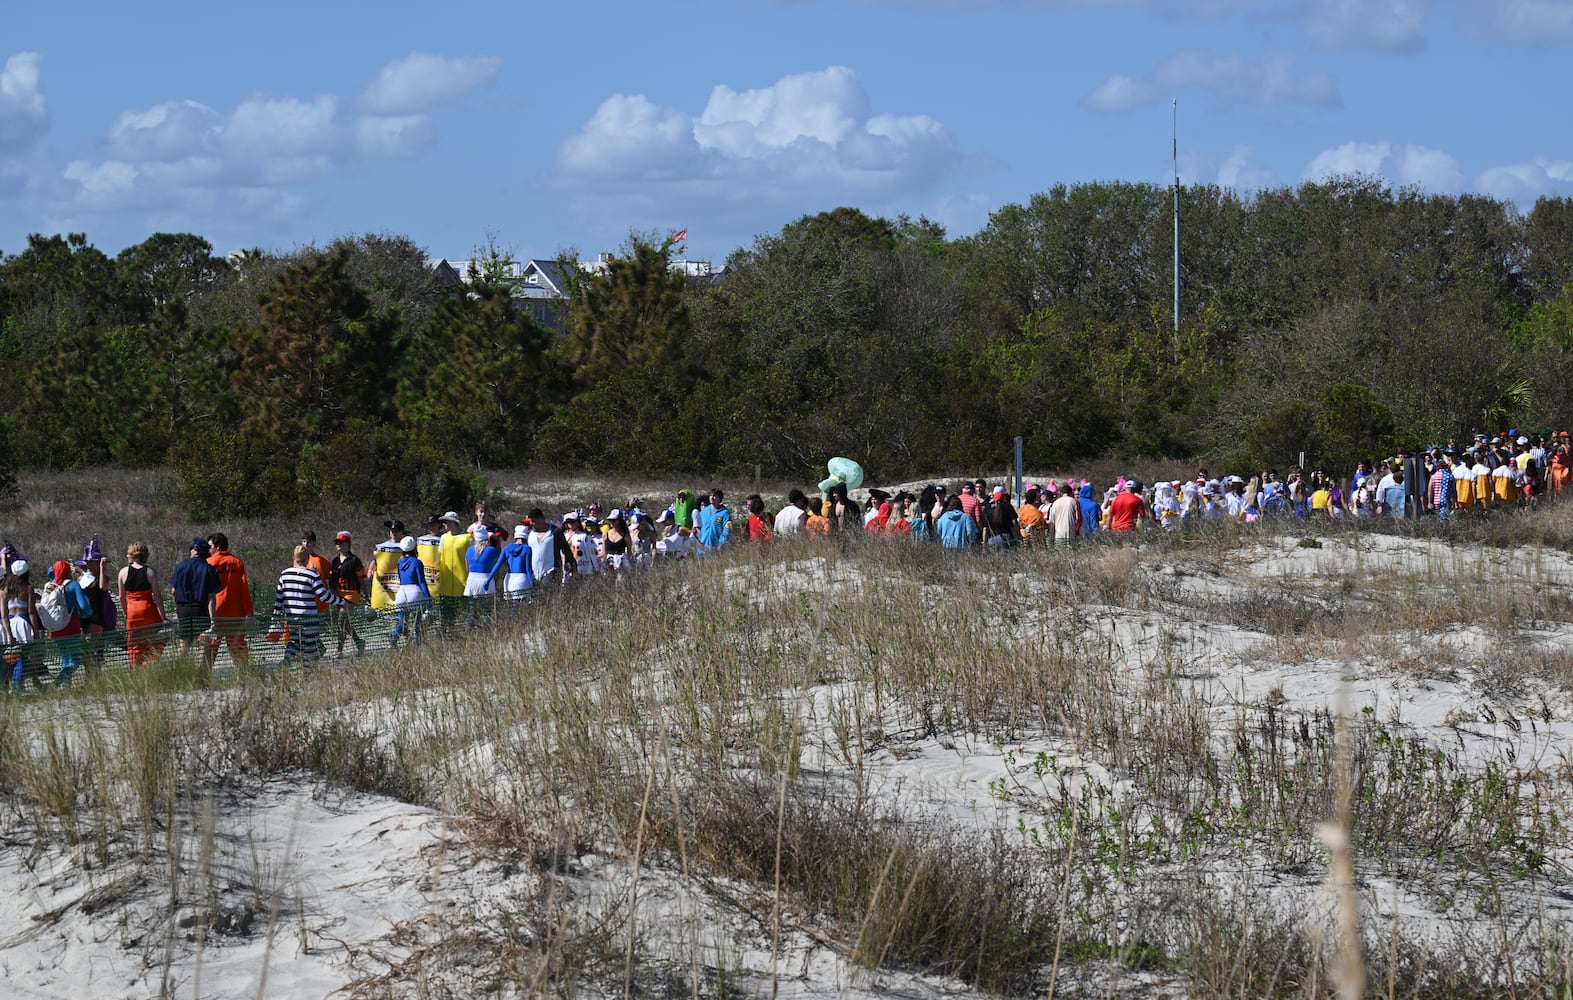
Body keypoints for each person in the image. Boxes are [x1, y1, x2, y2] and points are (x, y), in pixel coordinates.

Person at [271, 544, 346, 666]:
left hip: (291, 618)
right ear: (307, 558)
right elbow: (324, 596)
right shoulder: (312, 575)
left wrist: (275, 618)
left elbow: (279, 599)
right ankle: (306, 673)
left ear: (295, 558)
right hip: (309, 618)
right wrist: (342, 601)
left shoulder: (284, 574)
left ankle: (285, 664)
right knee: (310, 646)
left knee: (294, 642)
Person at [206, 532, 254, 668]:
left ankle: (204, 678)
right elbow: (244, 588)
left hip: (214, 612)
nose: (208, 549)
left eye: (210, 546)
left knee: (210, 647)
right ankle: (244, 677)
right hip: (235, 612)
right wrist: (249, 611)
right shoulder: (236, 562)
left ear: (218, 546)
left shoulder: (209, 562)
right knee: (238, 648)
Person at [169, 536, 221, 660]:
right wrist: (213, 620)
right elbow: (211, 598)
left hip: (184, 610)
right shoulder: (210, 570)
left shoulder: (181, 567)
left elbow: (173, 592)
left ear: (195, 550)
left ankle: (174, 673)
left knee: (183, 645)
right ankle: (200, 675)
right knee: (204, 645)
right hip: (201, 611)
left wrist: (178, 609)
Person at [43, 560, 93, 687]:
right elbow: (84, 607)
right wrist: (87, 615)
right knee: (75, 660)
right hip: (71, 627)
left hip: (54, 628)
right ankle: (55, 685)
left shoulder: (51, 587)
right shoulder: (73, 585)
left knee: (65, 660)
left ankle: (66, 689)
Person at [118, 542, 167, 667]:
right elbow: (157, 596)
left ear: (133, 555)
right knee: (156, 640)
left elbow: (121, 597)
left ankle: (136, 669)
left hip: (132, 612)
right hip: (148, 610)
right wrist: (163, 616)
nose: (127, 556)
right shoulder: (150, 572)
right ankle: (148, 665)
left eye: (128, 553)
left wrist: (126, 612)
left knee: (134, 644)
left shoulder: (123, 572)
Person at [329, 531, 368, 657]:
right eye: (337, 542)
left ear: (348, 544)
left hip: (352, 593)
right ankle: (359, 642)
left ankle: (339, 650)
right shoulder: (335, 561)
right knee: (346, 623)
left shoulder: (354, 560)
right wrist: (334, 594)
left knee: (342, 619)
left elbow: (361, 579)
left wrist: (367, 596)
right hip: (338, 594)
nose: (339, 544)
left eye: (341, 542)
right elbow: (332, 580)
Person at [388, 535, 430, 648]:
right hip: (415, 592)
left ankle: (393, 640)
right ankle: (417, 647)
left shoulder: (400, 562)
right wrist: (428, 598)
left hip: (401, 593)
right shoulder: (417, 562)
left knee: (402, 621)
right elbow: (421, 582)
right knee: (417, 623)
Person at [370, 519, 406, 612]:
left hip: (399, 585)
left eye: (396, 531)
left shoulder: (406, 546)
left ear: (402, 532)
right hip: (384, 586)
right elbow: (375, 560)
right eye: (392, 530)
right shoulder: (381, 547)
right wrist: (370, 569)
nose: (394, 533)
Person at [464, 524, 504, 596]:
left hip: (471, 580)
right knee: (488, 605)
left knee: (472, 606)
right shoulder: (491, 550)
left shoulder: (469, 550)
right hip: (486, 579)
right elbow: (498, 565)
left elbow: (468, 568)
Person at [501, 524, 535, 604]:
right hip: (522, 579)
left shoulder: (507, 548)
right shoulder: (527, 549)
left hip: (509, 580)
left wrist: (488, 581)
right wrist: (533, 586)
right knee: (519, 606)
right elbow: (528, 570)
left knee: (511, 605)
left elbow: (498, 565)